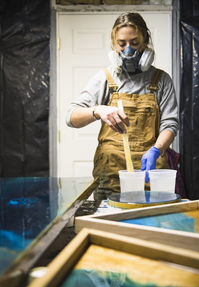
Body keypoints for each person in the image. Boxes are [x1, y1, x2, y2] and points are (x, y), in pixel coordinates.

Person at [66, 12, 179, 201]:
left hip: (151, 171)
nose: (128, 50)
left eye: (134, 43)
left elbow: (170, 124)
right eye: (122, 44)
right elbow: (71, 117)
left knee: (151, 224)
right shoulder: (105, 78)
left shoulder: (161, 80)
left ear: (145, 41)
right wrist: (97, 110)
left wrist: (156, 150)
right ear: (114, 45)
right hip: (111, 173)